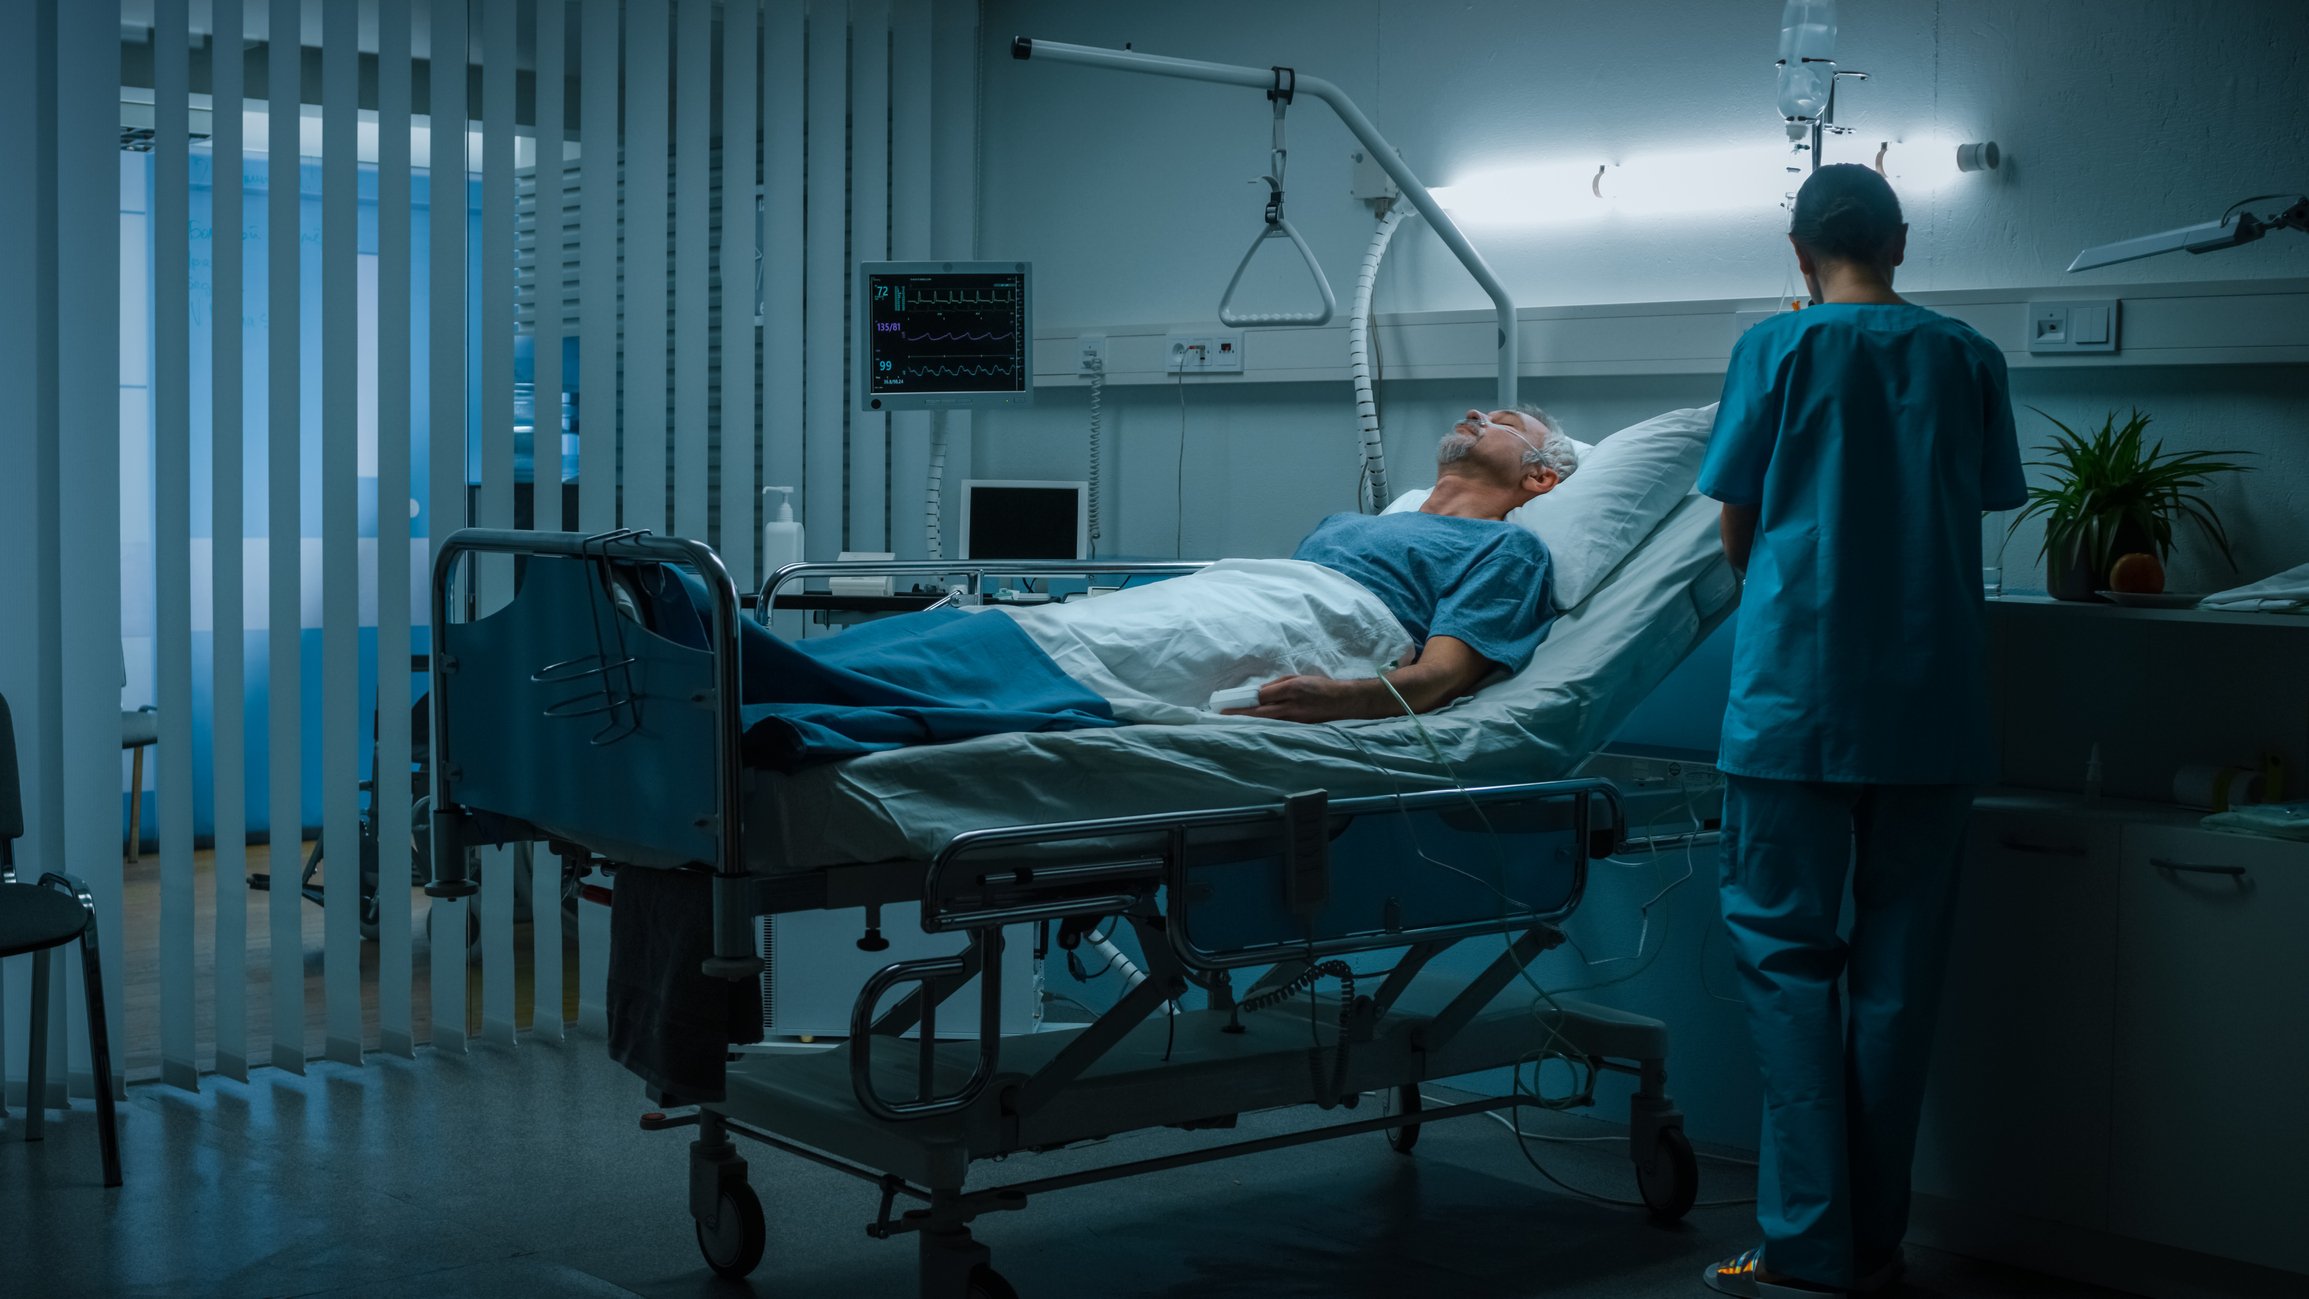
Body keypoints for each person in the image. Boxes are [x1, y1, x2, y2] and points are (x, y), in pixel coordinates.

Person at [1695, 165, 2026, 1299]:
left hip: (1793, 698)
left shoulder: (1770, 351)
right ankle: (1876, 1245)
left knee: (1786, 969)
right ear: (1899, 243)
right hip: (1930, 703)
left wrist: (1785, 592)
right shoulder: (1964, 357)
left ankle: (1804, 1248)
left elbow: (1736, 523)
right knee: (1897, 979)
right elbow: (1979, 498)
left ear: (1797, 253)